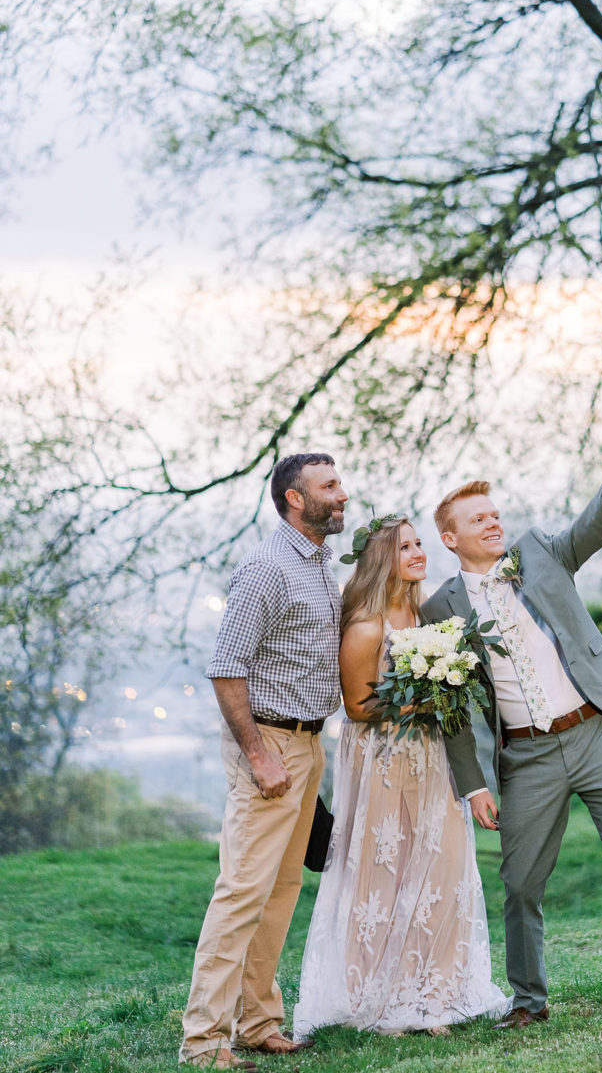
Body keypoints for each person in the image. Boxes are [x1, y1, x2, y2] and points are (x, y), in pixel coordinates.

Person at [420, 443, 602, 1042]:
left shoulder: (540, 552)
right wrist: (472, 784)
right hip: (526, 756)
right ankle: (528, 999)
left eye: (495, 514)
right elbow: (452, 710)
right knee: (520, 884)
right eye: (478, 519)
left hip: (596, 732)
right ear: (450, 538)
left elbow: (591, 528)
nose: (494, 523)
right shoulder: (438, 608)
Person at [293, 515, 508, 1038]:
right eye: (404, 547)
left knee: (442, 869)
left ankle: (440, 995)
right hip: (385, 761)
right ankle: (384, 996)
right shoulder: (367, 625)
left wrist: (443, 690)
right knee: (387, 875)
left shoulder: (425, 613)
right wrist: (421, 699)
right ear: (380, 559)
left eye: (418, 543)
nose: (417, 553)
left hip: (433, 760)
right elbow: (358, 705)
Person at [179, 453, 348, 1069]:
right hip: (269, 745)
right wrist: (258, 754)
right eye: (329, 486)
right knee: (242, 892)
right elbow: (226, 667)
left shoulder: (321, 565)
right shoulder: (266, 568)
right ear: (295, 499)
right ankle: (202, 1044)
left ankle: (258, 1022)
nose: (342, 494)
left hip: (308, 743)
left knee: (281, 889)